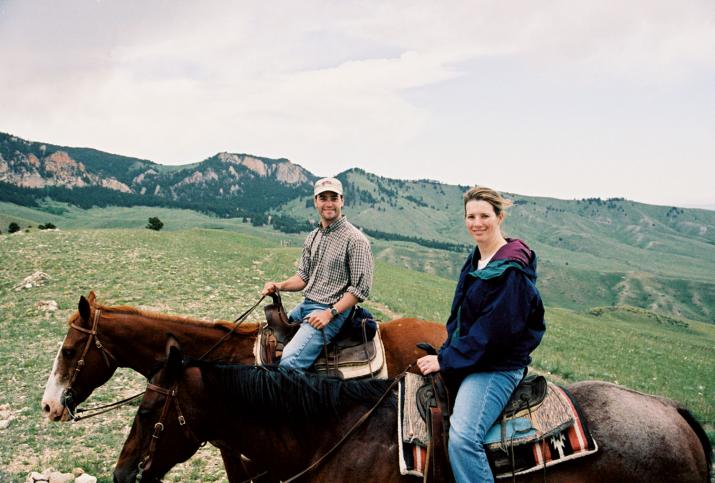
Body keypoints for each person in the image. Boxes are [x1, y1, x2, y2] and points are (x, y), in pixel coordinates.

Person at [416, 186, 545, 483]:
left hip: (496, 366)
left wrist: (446, 360)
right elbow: (461, 317)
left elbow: (493, 334)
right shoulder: (477, 259)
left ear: (499, 217)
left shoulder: (510, 270)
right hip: (474, 356)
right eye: (471, 216)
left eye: (484, 216)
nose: (477, 223)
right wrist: (448, 349)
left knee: (463, 440)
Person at [262, 177, 374, 370]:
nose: (328, 203)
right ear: (315, 202)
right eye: (323, 198)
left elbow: (359, 290)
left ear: (342, 201)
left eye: (333, 197)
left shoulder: (355, 240)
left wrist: (329, 313)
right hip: (306, 305)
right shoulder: (313, 236)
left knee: (289, 363)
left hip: (333, 310)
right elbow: (303, 277)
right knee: (267, 338)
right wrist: (278, 285)